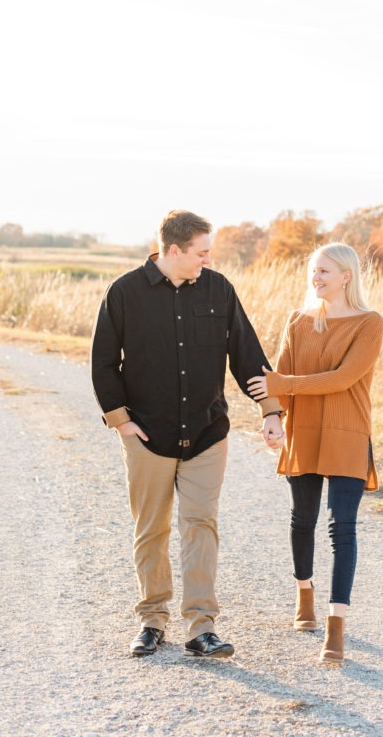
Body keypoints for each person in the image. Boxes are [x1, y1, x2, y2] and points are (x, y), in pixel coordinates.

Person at [91, 210, 283, 659]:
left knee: (201, 526)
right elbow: (103, 362)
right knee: (152, 530)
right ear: (173, 251)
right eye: (201, 252)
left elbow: (247, 353)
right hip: (147, 436)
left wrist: (271, 411)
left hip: (206, 433)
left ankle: (202, 627)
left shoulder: (219, 290)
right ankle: (152, 620)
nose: (208, 259)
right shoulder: (124, 293)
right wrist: (121, 420)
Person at [247, 243, 383, 664]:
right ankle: (304, 595)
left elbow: (342, 379)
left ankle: (336, 624)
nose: (317, 277)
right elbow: (281, 375)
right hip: (303, 430)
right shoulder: (298, 320)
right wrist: (273, 416)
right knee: (301, 519)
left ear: (347, 276)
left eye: (325, 271)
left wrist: (282, 386)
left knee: (342, 528)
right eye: (313, 270)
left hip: (347, 431)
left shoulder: (370, 322)